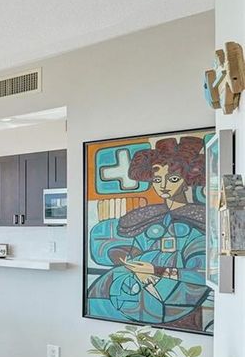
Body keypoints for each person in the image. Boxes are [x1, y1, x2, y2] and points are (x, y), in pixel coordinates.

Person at [87, 135, 209, 332]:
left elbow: (203, 274)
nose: (163, 186)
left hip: (175, 297)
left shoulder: (199, 222)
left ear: (187, 180)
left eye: (173, 179)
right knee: (100, 295)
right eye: (157, 179)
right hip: (131, 285)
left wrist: (154, 271)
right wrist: (127, 256)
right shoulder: (147, 215)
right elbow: (105, 242)